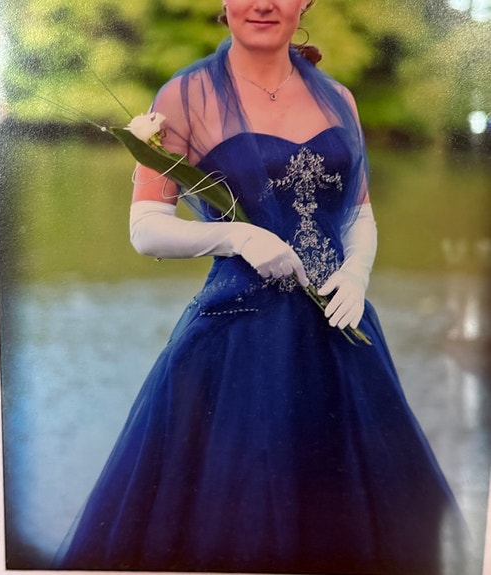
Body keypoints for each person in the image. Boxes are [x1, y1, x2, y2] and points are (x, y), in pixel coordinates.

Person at [55, 1, 463, 573]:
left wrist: (356, 273)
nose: (264, 3)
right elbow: (146, 229)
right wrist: (238, 237)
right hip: (235, 349)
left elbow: (358, 214)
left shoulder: (338, 98)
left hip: (339, 338)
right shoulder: (184, 96)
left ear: (305, 3)